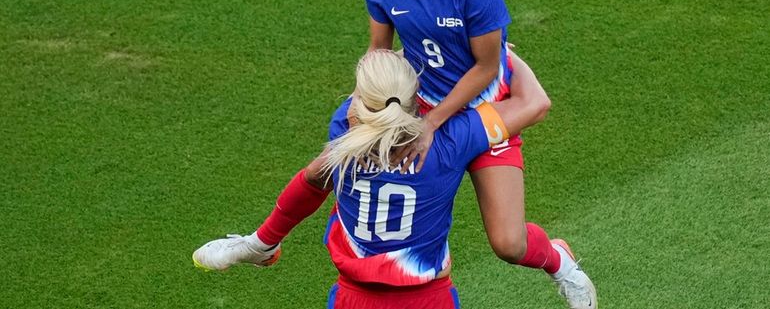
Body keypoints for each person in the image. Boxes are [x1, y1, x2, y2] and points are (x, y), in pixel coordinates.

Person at [193, 0, 597, 309]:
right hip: (410, 104)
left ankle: (561, 263)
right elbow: (380, 52)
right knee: (326, 167)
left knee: (508, 243)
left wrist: (433, 123)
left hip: (484, 108)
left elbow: (485, 68)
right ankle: (261, 242)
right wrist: (360, 103)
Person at [196, 50, 556, 308]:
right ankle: (261, 244)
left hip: (353, 298)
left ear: (361, 104)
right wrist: (502, 57)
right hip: (428, 300)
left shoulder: (343, 132)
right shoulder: (450, 142)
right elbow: (536, 102)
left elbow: (311, 179)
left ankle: (261, 244)